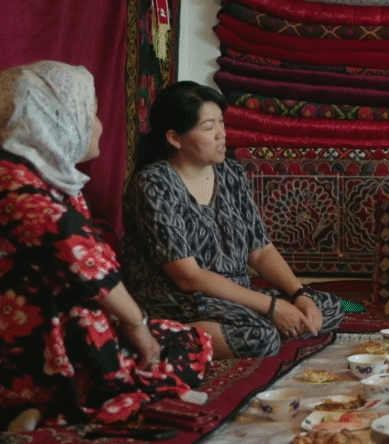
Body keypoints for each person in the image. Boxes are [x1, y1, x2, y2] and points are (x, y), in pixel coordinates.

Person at [0, 61, 212, 427]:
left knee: (185, 339)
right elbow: (88, 268)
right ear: (56, 121)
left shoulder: (40, 176)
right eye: (90, 114)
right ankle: (53, 399)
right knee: (168, 348)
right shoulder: (19, 188)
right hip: (38, 335)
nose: (98, 125)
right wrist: (137, 325)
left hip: (63, 319)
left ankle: (37, 404)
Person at [120, 81, 344, 359]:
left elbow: (260, 251)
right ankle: (160, 333)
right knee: (260, 336)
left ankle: (267, 329)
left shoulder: (230, 172)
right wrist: (272, 308)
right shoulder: (154, 184)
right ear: (175, 138)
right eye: (208, 127)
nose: (221, 135)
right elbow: (188, 277)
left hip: (234, 294)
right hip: (180, 298)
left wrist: (299, 294)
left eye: (221, 124)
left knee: (326, 306)